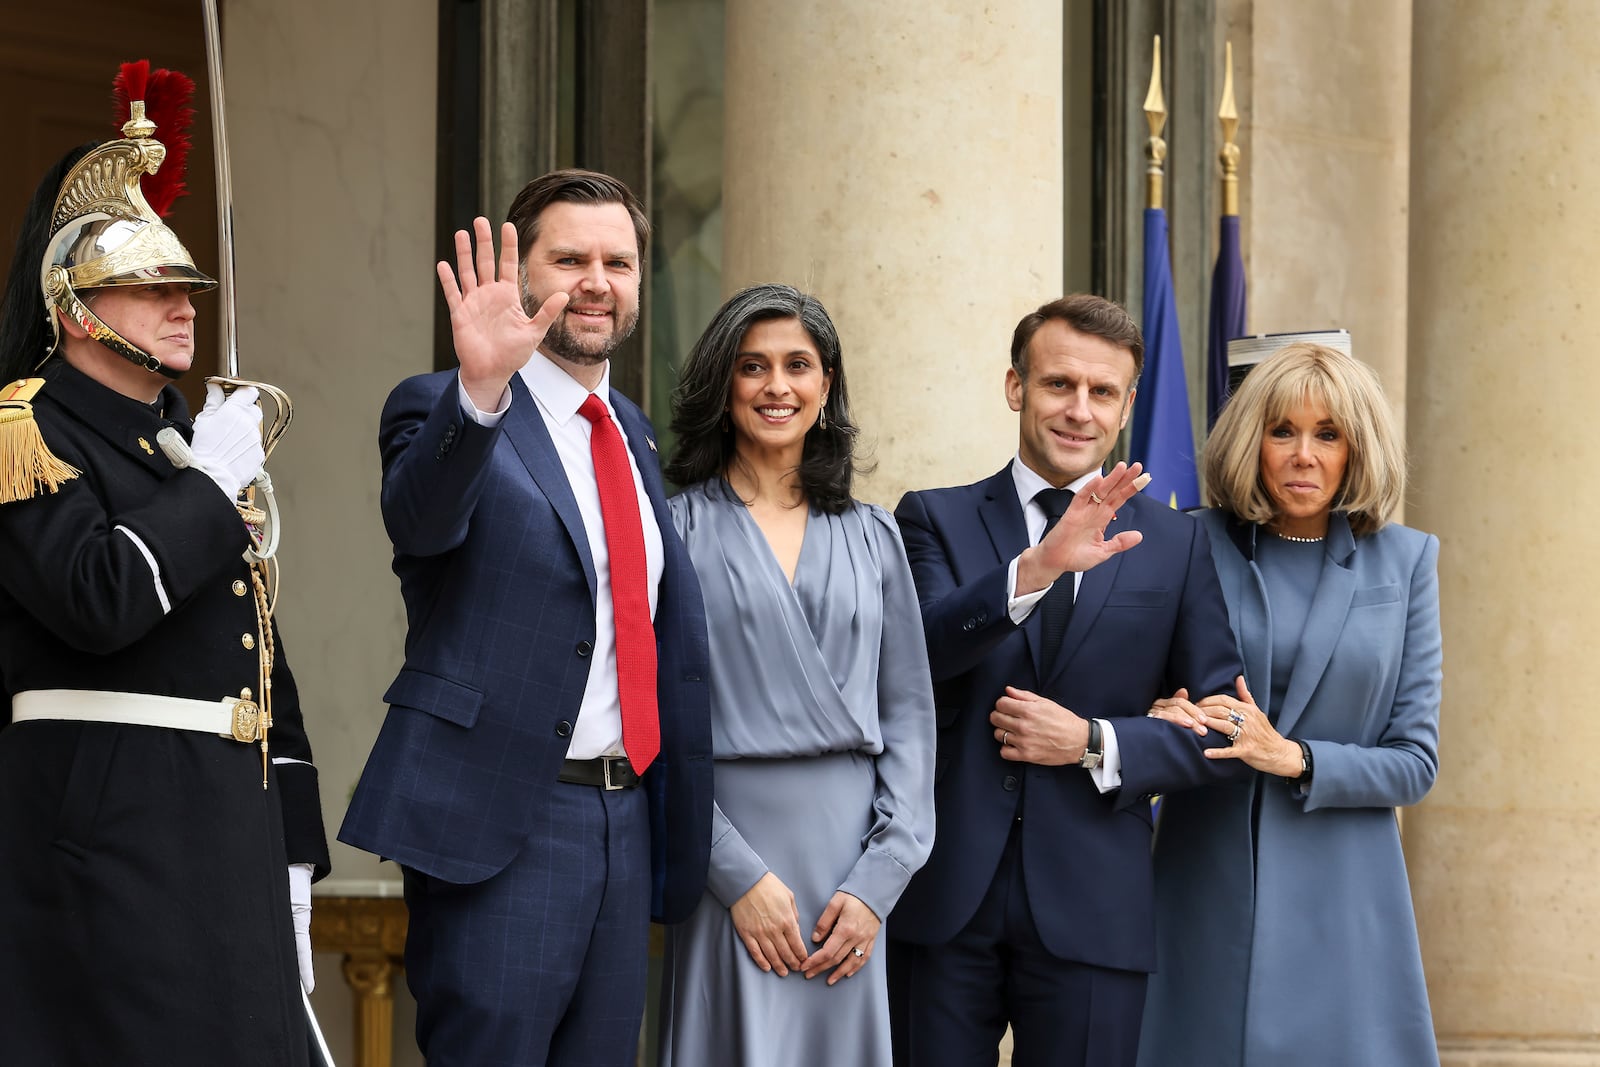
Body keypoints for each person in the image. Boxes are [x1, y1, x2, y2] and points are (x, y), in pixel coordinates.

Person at [339, 169, 713, 1066]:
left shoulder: (632, 432)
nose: (596, 279)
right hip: (500, 820)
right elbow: (421, 520)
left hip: (625, 821)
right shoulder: (443, 405)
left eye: (617, 260)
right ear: (520, 271)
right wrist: (478, 392)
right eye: (569, 257)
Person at [0, 66, 329, 1065]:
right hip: (109, 835)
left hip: (227, 828)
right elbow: (96, 596)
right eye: (150, 288)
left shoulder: (185, 442)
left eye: (185, 288)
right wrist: (208, 490)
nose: (182, 307)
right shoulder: (26, 431)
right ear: (74, 305)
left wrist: (296, 847)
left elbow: (262, 653)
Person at [888, 293, 1246, 1067]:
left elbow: (1226, 728)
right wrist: (1041, 564)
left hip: (1096, 908)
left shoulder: (1175, 545)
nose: (1079, 410)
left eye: (1102, 392)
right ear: (1016, 386)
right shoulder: (931, 518)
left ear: (1126, 408)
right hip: (943, 898)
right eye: (1059, 384)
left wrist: (1095, 740)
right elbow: (914, 659)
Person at [1138, 341, 1441, 1066]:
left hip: (1348, 890)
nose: (1304, 454)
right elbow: (1136, 685)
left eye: (1328, 433)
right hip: (1203, 878)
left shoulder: (1405, 560)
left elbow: (1416, 761)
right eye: (1284, 430)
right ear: (1253, 440)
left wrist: (1295, 756)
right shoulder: (1188, 542)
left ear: (1355, 448)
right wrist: (1151, 713)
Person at [655, 284, 936, 1065]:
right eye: (754, 366)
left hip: (851, 876)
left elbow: (911, 716)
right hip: (728, 865)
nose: (777, 385)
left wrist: (878, 881)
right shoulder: (673, 531)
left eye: (798, 365)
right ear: (724, 384)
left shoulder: (876, 535)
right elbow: (655, 721)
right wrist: (733, 874)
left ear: (827, 383)